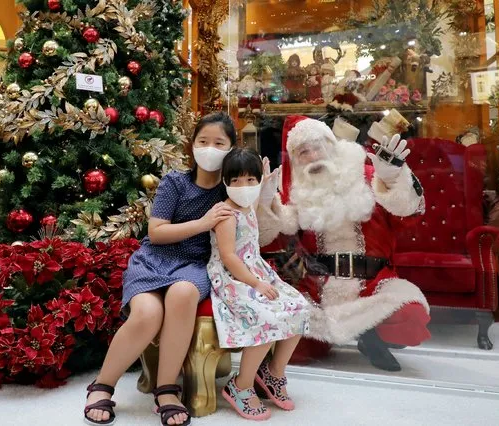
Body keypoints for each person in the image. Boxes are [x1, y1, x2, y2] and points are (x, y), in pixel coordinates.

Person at [83, 112, 236, 426]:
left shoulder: (229, 191)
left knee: (182, 294)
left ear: (231, 148)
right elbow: (157, 232)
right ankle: (102, 385)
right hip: (154, 260)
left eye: (219, 143)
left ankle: (166, 389)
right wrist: (204, 222)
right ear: (191, 145)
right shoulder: (175, 182)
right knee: (147, 314)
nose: (210, 148)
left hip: (194, 265)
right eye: (203, 141)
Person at [257, 116, 431, 372]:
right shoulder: (294, 191)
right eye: (303, 152)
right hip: (317, 290)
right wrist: (263, 204)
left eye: (319, 147)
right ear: (294, 158)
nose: (313, 156)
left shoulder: (370, 174)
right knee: (296, 355)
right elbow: (268, 238)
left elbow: (407, 213)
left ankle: (373, 334)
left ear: (333, 146)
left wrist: (393, 179)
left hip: (372, 284)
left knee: (410, 317)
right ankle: (328, 338)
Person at [208, 148, 310, 421]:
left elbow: (256, 209)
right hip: (235, 277)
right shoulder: (226, 214)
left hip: (257, 270)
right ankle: (240, 384)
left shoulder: (248, 206)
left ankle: (273, 372)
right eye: (236, 181)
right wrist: (256, 283)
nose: (243, 187)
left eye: (250, 180)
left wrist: (264, 187)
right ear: (225, 182)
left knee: (299, 307)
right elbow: (229, 257)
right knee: (266, 317)